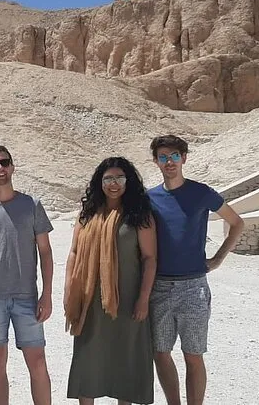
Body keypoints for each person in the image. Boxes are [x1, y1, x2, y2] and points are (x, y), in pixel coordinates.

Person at [147, 135, 244, 405]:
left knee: (193, 354)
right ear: (156, 161)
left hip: (193, 288)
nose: (169, 162)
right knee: (160, 353)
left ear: (184, 158)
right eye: (163, 157)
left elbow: (237, 223)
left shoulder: (201, 193)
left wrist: (218, 259)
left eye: (174, 156)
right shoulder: (149, 198)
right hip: (159, 287)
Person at [64, 157, 157, 404]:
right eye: (108, 179)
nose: (113, 184)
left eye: (119, 178)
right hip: (90, 301)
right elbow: (74, 252)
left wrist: (143, 299)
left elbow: (149, 259)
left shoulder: (139, 215)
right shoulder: (87, 214)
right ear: (100, 182)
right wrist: (68, 289)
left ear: (128, 181)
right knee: (88, 359)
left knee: (125, 360)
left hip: (126, 301)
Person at [0, 145, 54, 405]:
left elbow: (45, 252)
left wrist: (47, 294)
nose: (0, 168)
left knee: (37, 361)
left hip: (27, 297)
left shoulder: (31, 205)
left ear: (12, 167)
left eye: (4, 162)